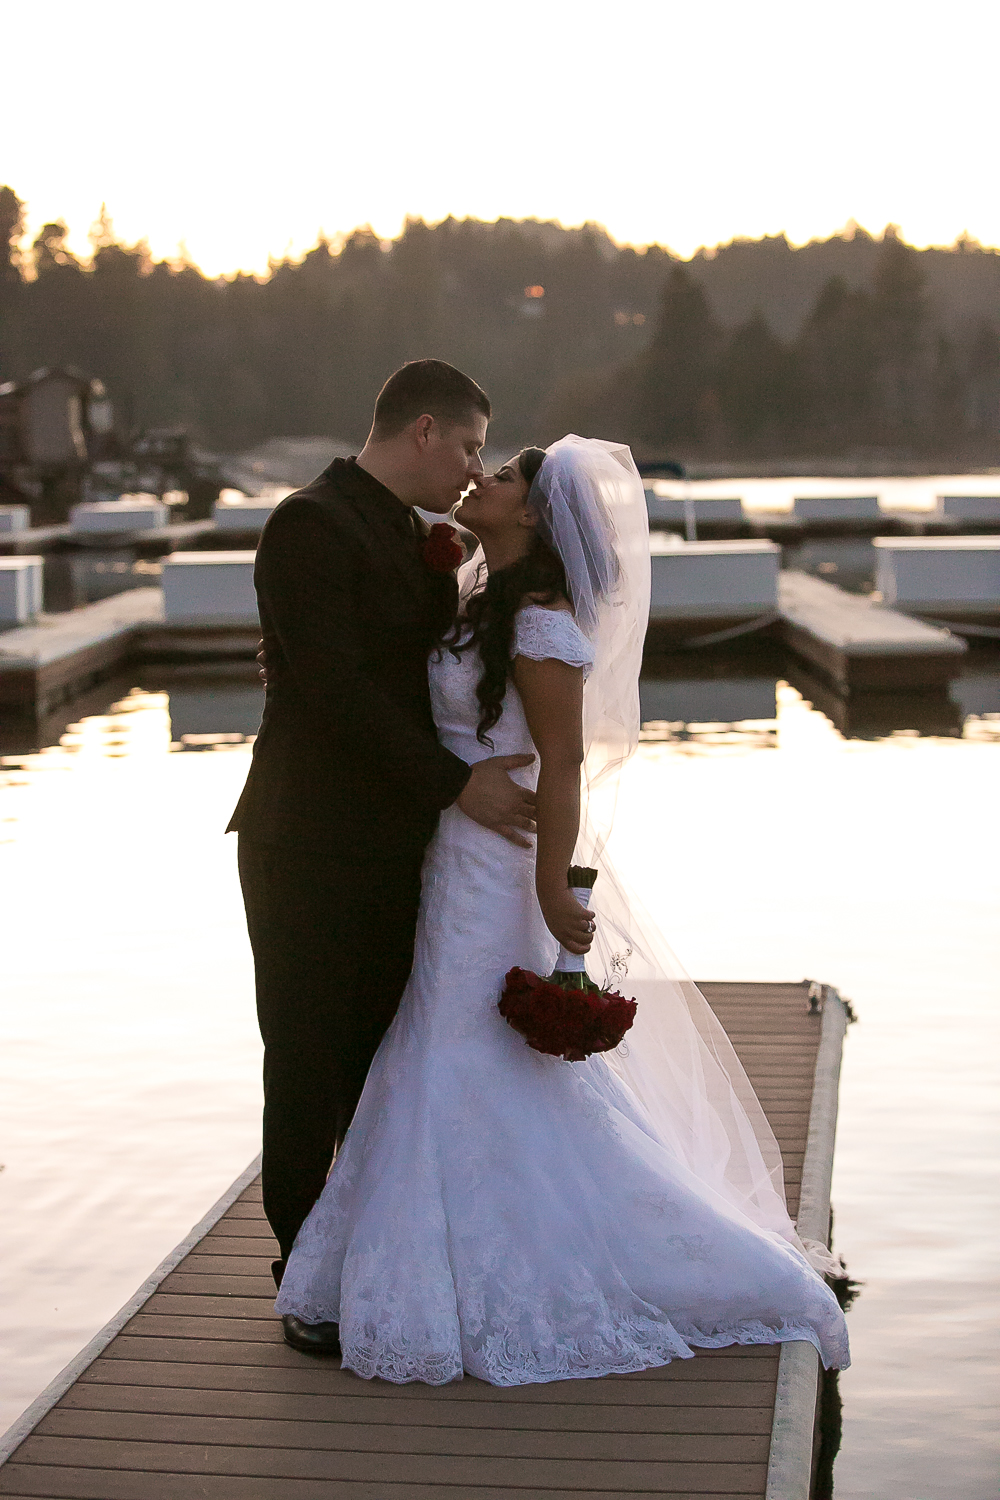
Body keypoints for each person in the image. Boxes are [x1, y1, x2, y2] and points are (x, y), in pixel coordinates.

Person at [275, 436, 850, 1384]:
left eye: (501, 478)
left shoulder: (541, 625)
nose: (481, 480)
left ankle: (549, 1263)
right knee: (438, 1040)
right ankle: (441, 1254)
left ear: (537, 515)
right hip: (448, 854)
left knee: (459, 1045)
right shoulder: (470, 594)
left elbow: (566, 765)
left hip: (501, 868)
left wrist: (551, 884)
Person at [228, 360, 540, 1354]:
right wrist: (459, 786)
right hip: (308, 840)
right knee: (308, 1055)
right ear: (420, 431)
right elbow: (331, 691)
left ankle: (359, 1253)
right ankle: (300, 1278)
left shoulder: (415, 535)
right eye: (467, 446)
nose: (471, 467)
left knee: (376, 1055)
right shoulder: (308, 523)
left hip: (395, 844)